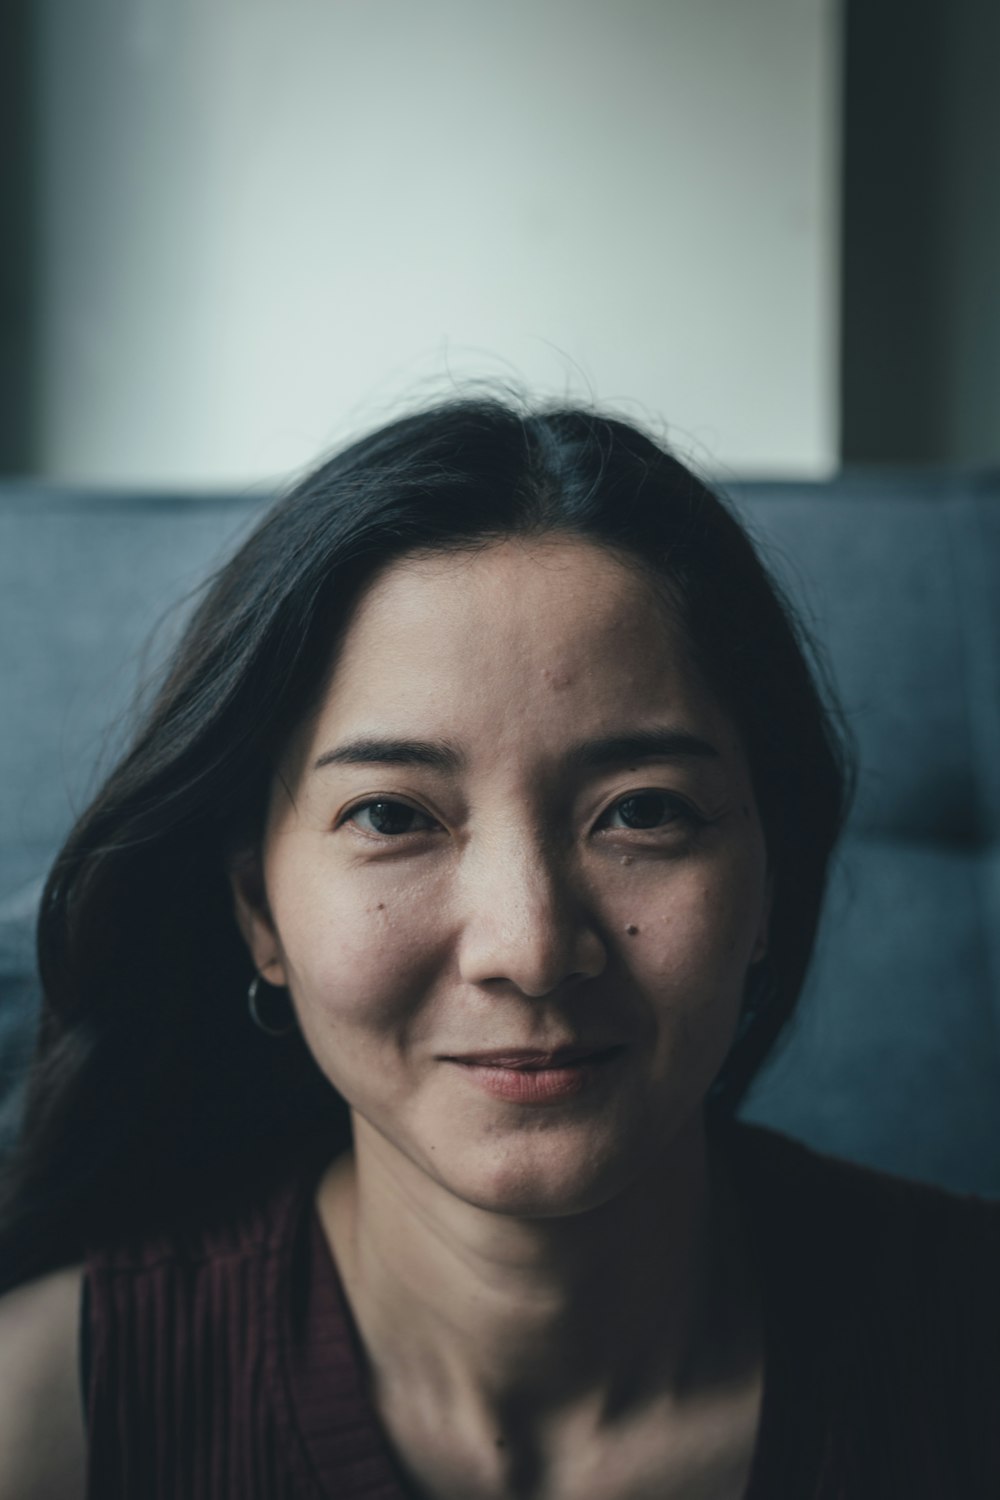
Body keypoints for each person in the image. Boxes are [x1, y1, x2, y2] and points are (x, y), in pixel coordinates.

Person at [0, 396, 996, 1499]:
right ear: (258, 910)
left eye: (643, 811)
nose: (526, 949)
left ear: (767, 880)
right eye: (391, 817)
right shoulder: (53, 1411)